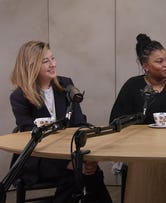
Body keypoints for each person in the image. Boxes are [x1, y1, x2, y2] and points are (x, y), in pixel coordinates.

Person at [10, 40, 112, 203]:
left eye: (53, 58)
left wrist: (90, 151)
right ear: (31, 66)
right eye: (45, 61)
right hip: (37, 157)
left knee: (89, 169)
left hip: (68, 151)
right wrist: (68, 160)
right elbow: (31, 135)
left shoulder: (66, 85)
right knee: (77, 171)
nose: (53, 64)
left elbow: (78, 122)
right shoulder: (19, 97)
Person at [109, 33, 166, 124]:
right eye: (159, 61)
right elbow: (116, 120)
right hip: (141, 138)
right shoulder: (132, 86)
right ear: (146, 66)